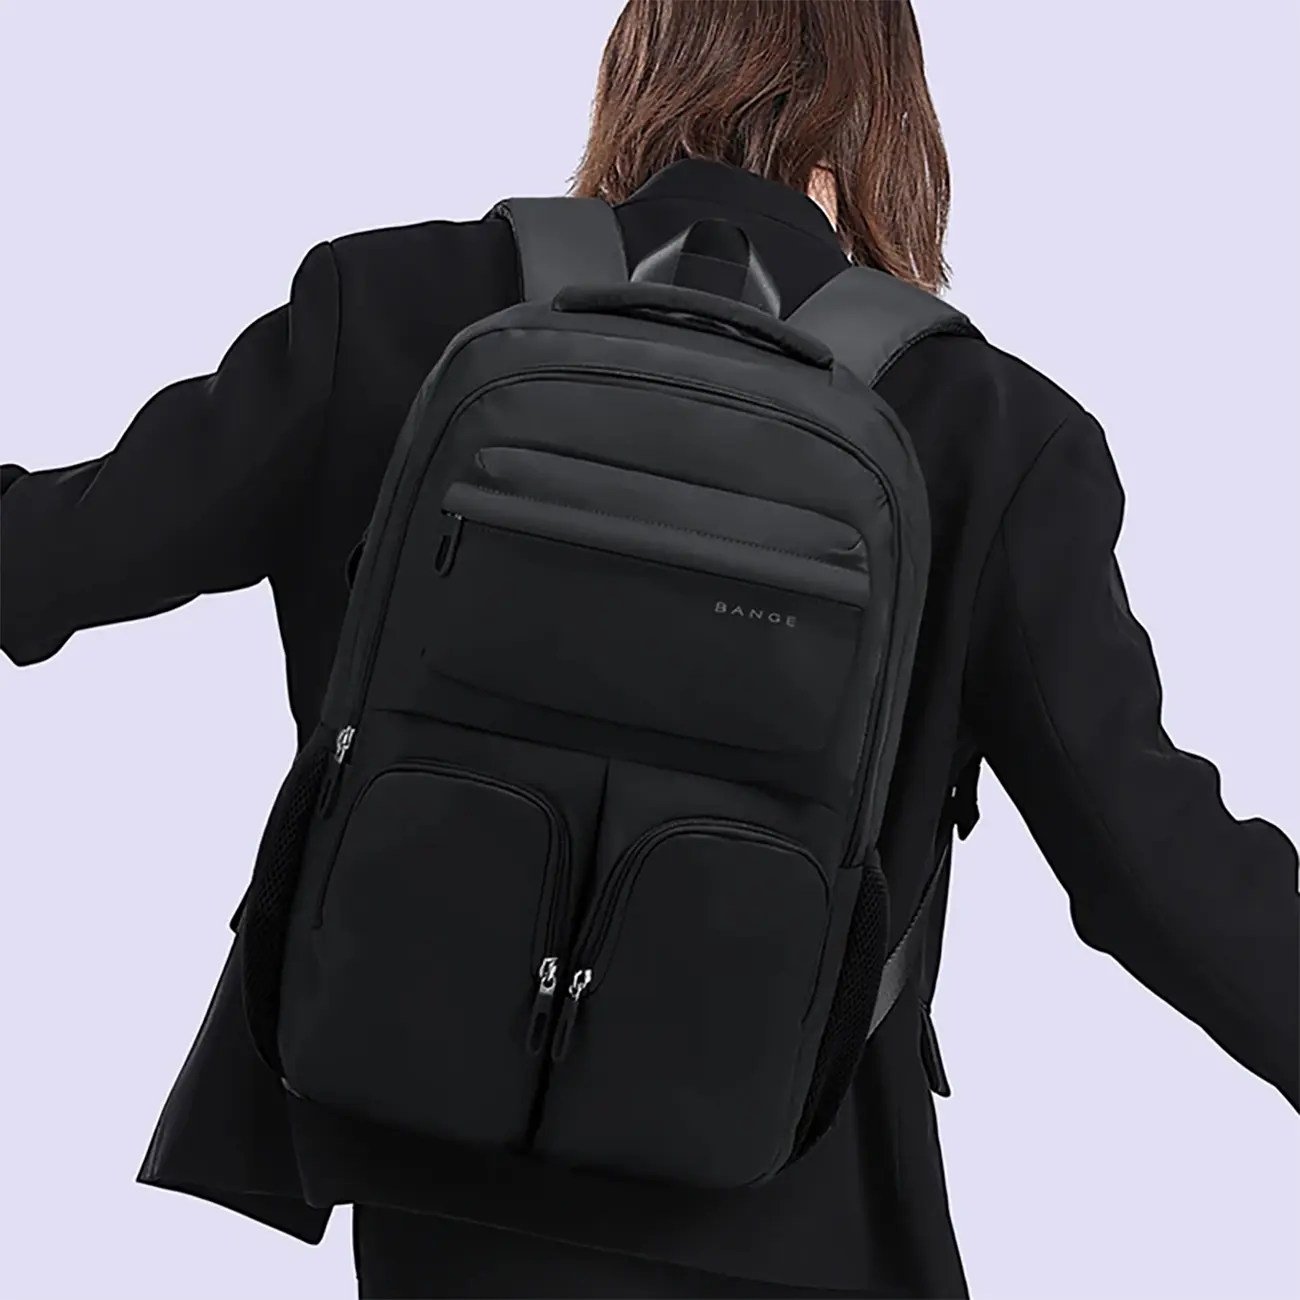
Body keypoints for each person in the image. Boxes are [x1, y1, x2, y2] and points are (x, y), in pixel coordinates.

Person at [2, 2, 1296, 1297]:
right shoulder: (985, 429)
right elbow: (1155, 873)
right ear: (889, 119)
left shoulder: (390, 307)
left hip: (425, 1154)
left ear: (636, 70)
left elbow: (52, 559)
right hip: (789, 1199)